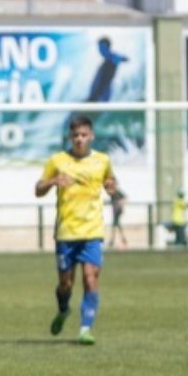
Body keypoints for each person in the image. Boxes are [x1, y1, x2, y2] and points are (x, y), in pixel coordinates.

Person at [36, 115, 117, 346]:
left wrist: (112, 187)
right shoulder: (57, 161)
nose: (79, 140)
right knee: (66, 284)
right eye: (75, 136)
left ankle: (85, 329)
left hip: (92, 231)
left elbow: (110, 181)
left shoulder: (102, 160)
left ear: (91, 136)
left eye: (83, 135)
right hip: (66, 233)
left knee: (90, 279)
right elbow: (38, 188)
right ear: (70, 138)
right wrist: (52, 182)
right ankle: (63, 309)